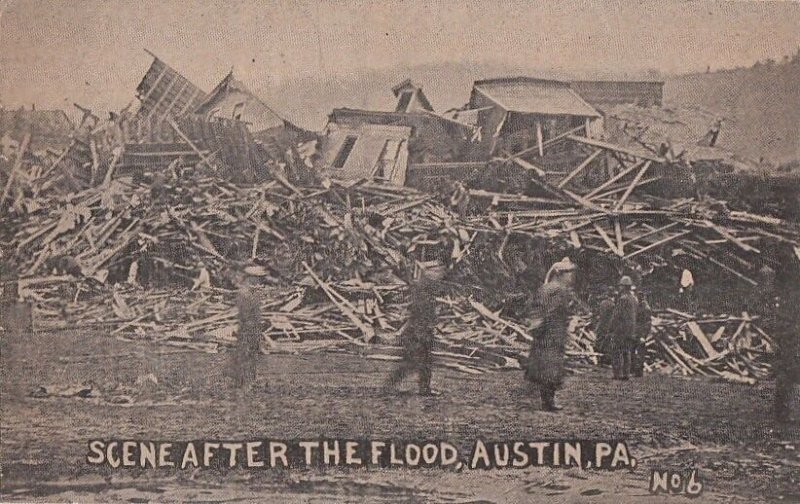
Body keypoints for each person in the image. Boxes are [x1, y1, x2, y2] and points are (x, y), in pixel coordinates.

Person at [386, 261, 448, 396]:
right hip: (418, 334)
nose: (440, 277)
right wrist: (425, 333)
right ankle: (419, 389)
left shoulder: (426, 291)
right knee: (418, 363)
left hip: (419, 333)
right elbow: (420, 316)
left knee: (415, 363)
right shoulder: (424, 293)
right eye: (437, 273)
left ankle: (392, 386)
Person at [524, 257, 577, 412]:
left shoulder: (546, 288)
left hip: (545, 334)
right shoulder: (558, 290)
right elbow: (550, 313)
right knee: (551, 369)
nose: (571, 277)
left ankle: (546, 400)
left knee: (545, 368)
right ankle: (548, 402)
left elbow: (536, 311)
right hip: (552, 334)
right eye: (569, 274)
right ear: (560, 274)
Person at [225, 264, 266, 390]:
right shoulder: (244, 293)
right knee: (245, 355)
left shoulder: (253, 293)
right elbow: (245, 315)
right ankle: (242, 382)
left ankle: (248, 380)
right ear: (250, 278)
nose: (259, 281)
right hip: (247, 329)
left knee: (251, 355)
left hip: (254, 329)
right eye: (257, 278)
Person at [609, 276, 638, 380]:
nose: (619, 288)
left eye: (620, 286)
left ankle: (617, 374)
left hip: (620, 330)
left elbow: (616, 315)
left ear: (624, 287)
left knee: (616, 351)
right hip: (630, 331)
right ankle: (626, 374)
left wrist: (611, 328)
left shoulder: (623, 299)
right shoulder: (634, 299)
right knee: (627, 352)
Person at [631, 290, 652, 378]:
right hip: (635, 332)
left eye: (640, 296)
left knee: (640, 353)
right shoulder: (636, 307)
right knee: (632, 351)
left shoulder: (646, 308)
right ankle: (633, 370)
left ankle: (638, 372)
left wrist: (644, 336)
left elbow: (647, 323)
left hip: (640, 333)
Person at [593, 286, 616, 366]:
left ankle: (598, 358)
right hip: (607, 326)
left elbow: (599, 314)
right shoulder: (612, 305)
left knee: (599, 341)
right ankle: (605, 360)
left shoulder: (602, 303)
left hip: (601, 325)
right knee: (607, 342)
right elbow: (612, 317)